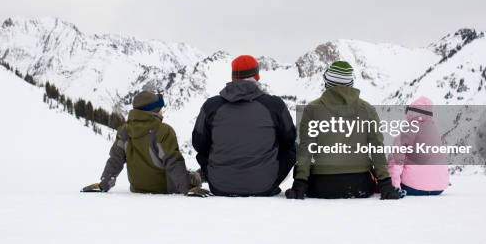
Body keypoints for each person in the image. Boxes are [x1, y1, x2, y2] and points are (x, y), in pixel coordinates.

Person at [286, 61, 400, 200]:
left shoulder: (312, 109)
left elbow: (306, 149)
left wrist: (300, 183)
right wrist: (385, 184)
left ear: (327, 83)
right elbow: (376, 147)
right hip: (360, 185)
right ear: (350, 83)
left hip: (321, 186)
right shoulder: (367, 109)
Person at [192, 55, 297, 196]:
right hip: (264, 185)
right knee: (293, 148)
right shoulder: (274, 105)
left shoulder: (211, 106)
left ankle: (224, 176)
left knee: (203, 152)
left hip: (220, 186)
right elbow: (289, 139)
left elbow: (199, 144)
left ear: (233, 77)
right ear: (257, 76)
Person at [82, 91, 208, 196]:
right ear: (153, 111)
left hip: (138, 187)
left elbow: (115, 160)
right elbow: (173, 162)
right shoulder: (163, 131)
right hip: (164, 188)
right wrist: (188, 188)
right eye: (160, 109)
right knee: (195, 176)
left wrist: (103, 184)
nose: (162, 112)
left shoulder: (125, 130)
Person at [387, 96, 449, 196]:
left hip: (413, 187)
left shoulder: (407, 130)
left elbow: (396, 160)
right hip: (440, 188)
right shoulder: (435, 131)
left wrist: (394, 187)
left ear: (410, 112)